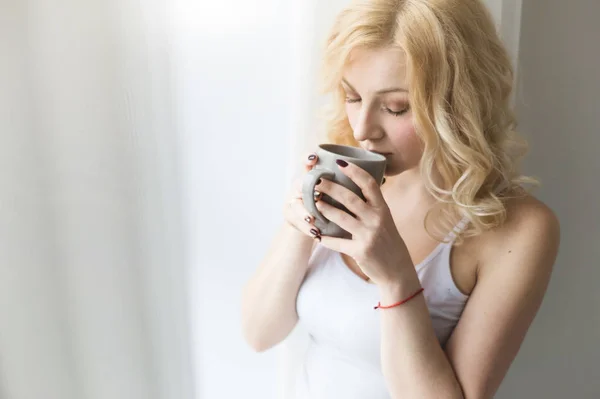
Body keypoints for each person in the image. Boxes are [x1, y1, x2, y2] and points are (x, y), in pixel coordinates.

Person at [241, 0, 560, 397]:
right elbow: (259, 334)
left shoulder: (519, 229)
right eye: (352, 96)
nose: (362, 131)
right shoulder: (339, 170)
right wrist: (299, 227)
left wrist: (395, 278)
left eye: (396, 107)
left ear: (458, 101)